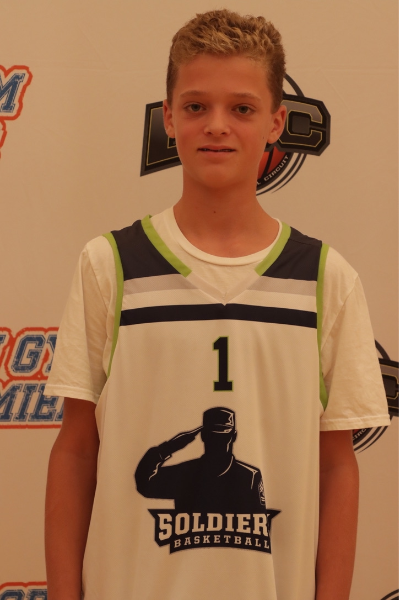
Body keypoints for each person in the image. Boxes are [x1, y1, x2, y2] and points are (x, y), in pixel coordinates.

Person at [44, 9, 390, 600]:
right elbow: (77, 450)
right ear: (168, 117)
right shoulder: (110, 264)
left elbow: (337, 465)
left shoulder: (326, 278)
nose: (217, 126)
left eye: (243, 108)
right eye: (197, 106)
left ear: (277, 121)